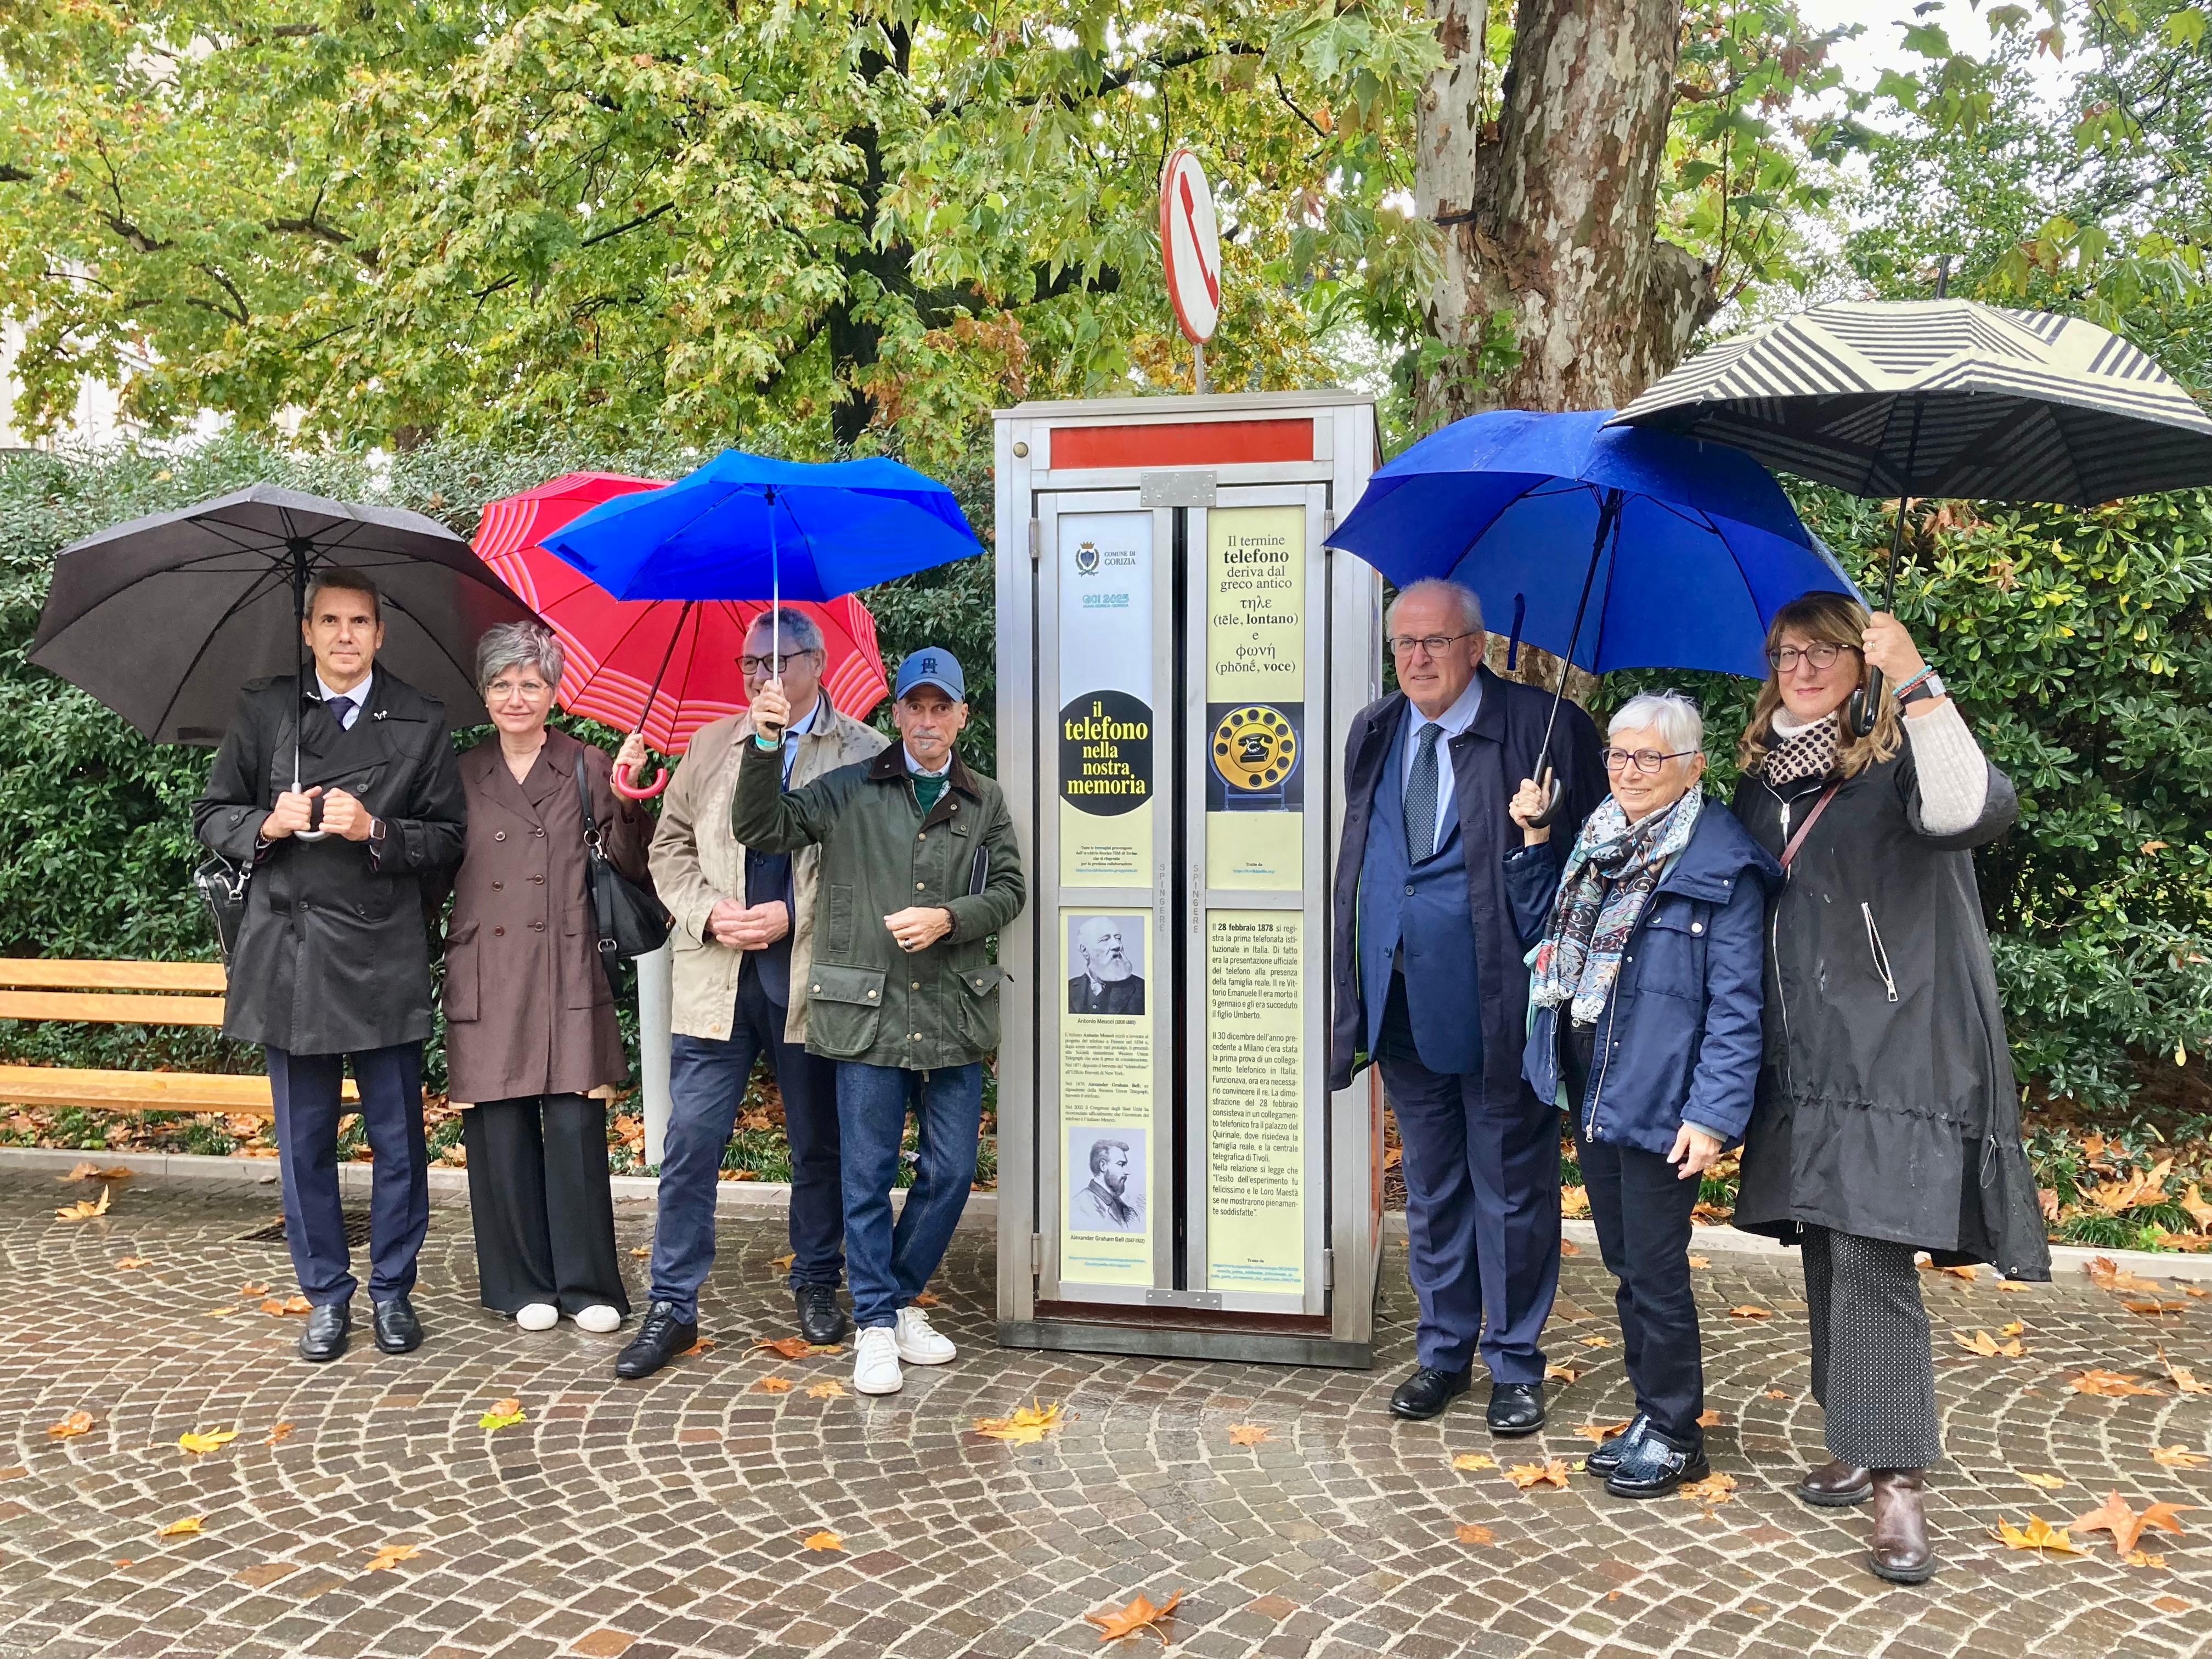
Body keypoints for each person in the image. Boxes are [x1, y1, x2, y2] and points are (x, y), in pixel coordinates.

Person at [1729, 592, 2050, 1584]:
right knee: (1829, 1244)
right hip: (1802, 1053)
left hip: (1895, 1046)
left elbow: (1971, 810)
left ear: (1859, 662)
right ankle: (1857, 1436)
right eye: (1788, 651)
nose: (1804, 666)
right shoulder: (1759, 783)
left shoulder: (1899, 757)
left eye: (1826, 649)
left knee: (1871, 1258)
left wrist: (1913, 677)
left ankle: (1899, 1480)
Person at [1327, 578, 1607, 1430]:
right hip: (1401, 999)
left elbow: (1596, 859)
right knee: (1434, 1184)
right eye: (1404, 644)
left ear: (1475, 646)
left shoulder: (1543, 729)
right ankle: (1443, 1352)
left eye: (1436, 642)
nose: (1417, 659)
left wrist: (1539, 835)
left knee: (1513, 1187)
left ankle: (1516, 1362)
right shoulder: (1375, 730)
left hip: (1500, 1008)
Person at [1505, 693, 1779, 1497]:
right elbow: (1545, 944)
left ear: (1694, 765)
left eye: (1649, 759)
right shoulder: (1597, 842)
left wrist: (1712, 1115)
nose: (1628, 772)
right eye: (1619, 756)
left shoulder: (1717, 860)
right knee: (1626, 1263)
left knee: (1655, 1271)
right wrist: (1534, 840)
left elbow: (1738, 1006)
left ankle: (1675, 1428)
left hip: (1663, 1102)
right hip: (1596, 1086)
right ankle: (1652, 1413)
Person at [735, 646, 1025, 1397]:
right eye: (915, 707)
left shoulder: (984, 799)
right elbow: (763, 826)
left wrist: (950, 917)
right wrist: (766, 744)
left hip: (952, 1011)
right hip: (864, 1012)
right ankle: (873, 1324)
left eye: (942, 707)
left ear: (963, 716)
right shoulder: (849, 788)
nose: (928, 721)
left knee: (953, 1170)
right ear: (894, 714)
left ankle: (891, 1300)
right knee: (864, 1176)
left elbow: (1011, 890)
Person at [194, 567, 465, 1363]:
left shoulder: (419, 718)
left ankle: (392, 1292)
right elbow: (211, 815)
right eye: (331, 622)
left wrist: (376, 831)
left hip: (381, 955)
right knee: (304, 1141)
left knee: (398, 1138)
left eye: (360, 623)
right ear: (308, 631)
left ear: (381, 635)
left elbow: (449, 838)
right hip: (290, 957)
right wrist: (265, 823)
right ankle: (325, 1295)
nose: (346, 636)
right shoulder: (264, 709)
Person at [618, 609, 887, 1378]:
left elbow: (879, 867)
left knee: (820, 1144)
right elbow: (669, 845)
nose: (760, 676)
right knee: (690, 1143)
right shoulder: (711, 745)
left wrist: (794, 913)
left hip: (812, 982)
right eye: (749, 665)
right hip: (716, 977)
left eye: (776, 661)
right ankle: (672, 1304)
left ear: (818, 663)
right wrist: (707, 910)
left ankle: (816, 1280)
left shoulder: (865, 753)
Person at [445, 622, 650, 1337]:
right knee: (498, 1128)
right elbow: (430, 862)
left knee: (573, 1126)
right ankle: (518, 1283)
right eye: (501, 683)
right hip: (489, 966)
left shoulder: (589, 765)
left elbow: (630, 863)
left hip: (566, 963)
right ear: (485, 692)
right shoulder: (461, 772)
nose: (515, 696)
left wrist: (629, 795)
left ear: (555, 691)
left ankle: (588, 1283)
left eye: (530, 683)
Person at [1068, 915, 1144, 1015]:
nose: (1117, 945)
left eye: (1118, 938)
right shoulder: (1066, 988)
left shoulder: (1143, 988)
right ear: (1085, 950)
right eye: (1105, 940)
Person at [1071, 1138, 1143, 1231]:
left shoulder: (1126, 1210)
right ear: (1103, 1166)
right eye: (1121, 1164)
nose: (1127, 1172)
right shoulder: (1081, 1207)